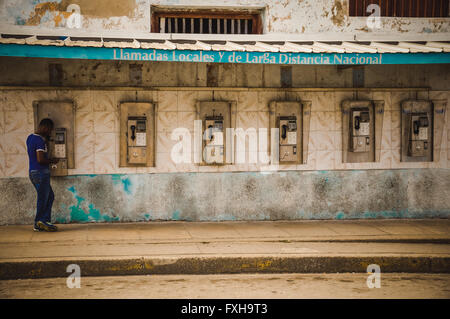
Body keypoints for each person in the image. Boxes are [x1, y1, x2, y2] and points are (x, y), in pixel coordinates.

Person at [26, 118, 59, 232]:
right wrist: (52, 161)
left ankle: (44, 221)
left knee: (49, 196)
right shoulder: (40, 141)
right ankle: (39, 222)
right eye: (50, 130)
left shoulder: (30, 137)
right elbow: (40, 159)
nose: (50, 132)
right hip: (40, 172)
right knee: (43, 198)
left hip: (33, 172)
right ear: (45, 127)